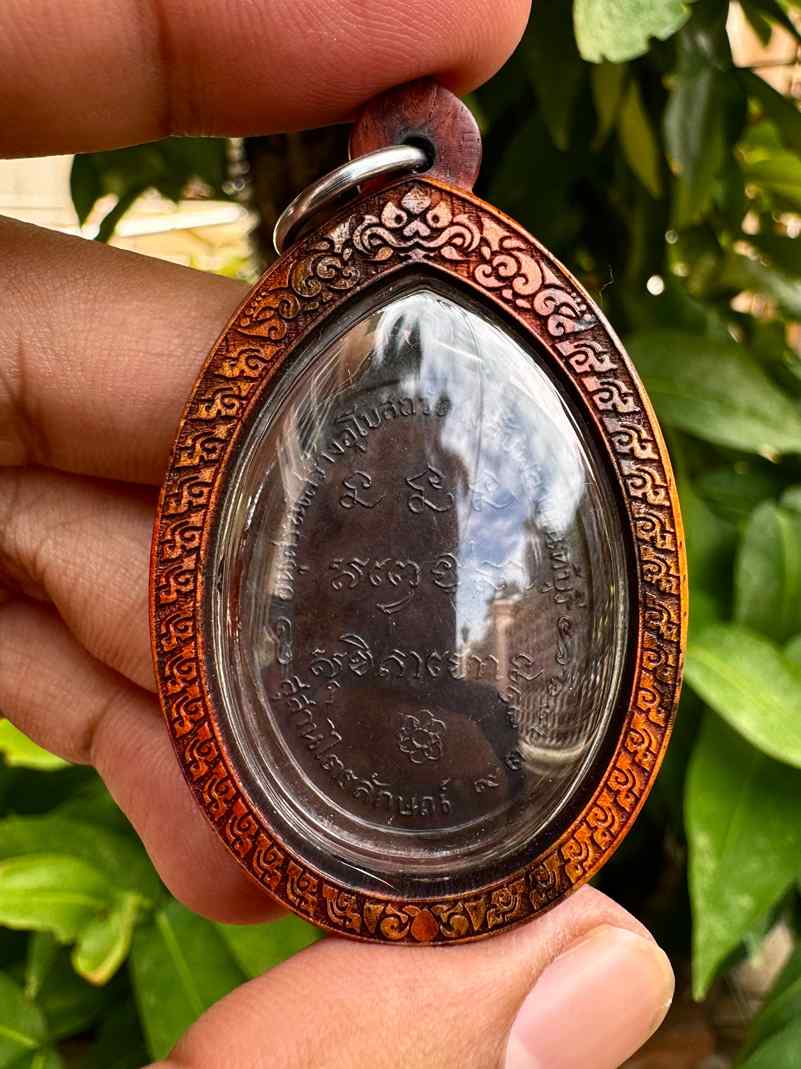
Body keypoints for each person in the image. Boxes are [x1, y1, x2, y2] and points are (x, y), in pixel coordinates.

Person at [0, 2, 674, 1066]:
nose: (399, 571)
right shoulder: (295, 703)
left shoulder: (491, 734)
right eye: (354, 520)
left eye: (429, 528)